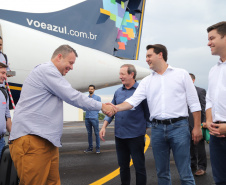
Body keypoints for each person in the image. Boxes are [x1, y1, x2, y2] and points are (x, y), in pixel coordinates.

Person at [9, 45, 116, 185]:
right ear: (59, 57)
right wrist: (101, 106)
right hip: (33, 140)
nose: (72, 67)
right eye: (70, 63)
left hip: (47, 142)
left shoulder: (49, 74)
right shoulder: (46, 70)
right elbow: (72, 96)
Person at [112, 44, 203, 185]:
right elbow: (132, 101)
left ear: (160, 55)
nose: (146, 59)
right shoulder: (147, 81)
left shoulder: (181, 74)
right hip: (158, 130)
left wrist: (197, 127)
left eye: (149, 56)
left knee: (185, 172)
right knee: (162, 173)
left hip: (179, 127)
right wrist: (115, 108)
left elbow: (194, 102)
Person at [100, 64, 150, 185]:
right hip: (120, 136)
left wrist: (144, 128)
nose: (120, 76)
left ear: (131, 74)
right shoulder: (118, 92)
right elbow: (111, 111)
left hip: (136, 136)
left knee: (139, 167)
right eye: (120, 74)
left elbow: (148, 113)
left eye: (122, 74)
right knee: (123, 167)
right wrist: (104, 126)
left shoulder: (141, 91)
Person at [205, 21, 226, 185]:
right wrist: (210, 122)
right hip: (216, 134)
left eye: (212, 38)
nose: (208, 43)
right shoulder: (213, 70)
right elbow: (209, 100)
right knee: (219, 179)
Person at [188, 73, 207, 176]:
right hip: (185, 123)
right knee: (190, 146)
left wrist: (203, 121)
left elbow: (204, 107)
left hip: (197, 123)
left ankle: (202, 167)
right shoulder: (183, 92)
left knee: (199, 146)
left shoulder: (200, 91)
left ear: (193, 80)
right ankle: (192, 164)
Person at [84, 85, 101, 154]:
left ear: (94, 90)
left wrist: (95, 113)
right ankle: (90, 148)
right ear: (88, 90)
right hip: (87, 118)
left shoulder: (97, 98)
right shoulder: (86, 98)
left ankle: (98, 148)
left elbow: (99, 106)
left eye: (92, 89)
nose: (90, 90)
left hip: (94, 118)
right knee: (89, 133)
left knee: (97, 133)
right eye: (89, 89)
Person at [0, 60, 12, 160]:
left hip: (1, 142)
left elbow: (7, 117)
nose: (5, 76)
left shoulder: (4, 93)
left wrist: (12, 135)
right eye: (2, 73)